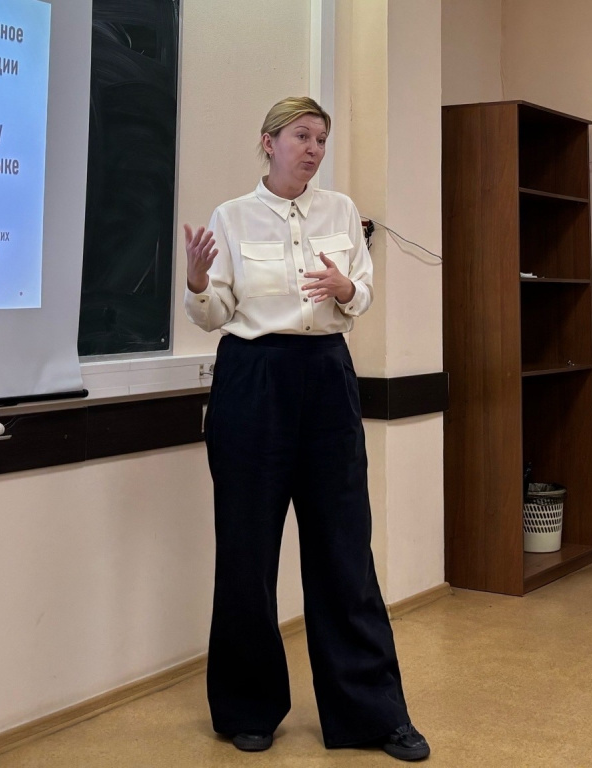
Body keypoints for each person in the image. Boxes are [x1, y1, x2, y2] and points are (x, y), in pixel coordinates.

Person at [183, 96, 429, 761]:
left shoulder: (341, 211)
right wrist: (200, 281)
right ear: (269, 142)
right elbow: (214, 312)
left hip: (325, 376)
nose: (314, 149)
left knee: (344, 551)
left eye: (322, 138)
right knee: (247, 551)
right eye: (302, 136)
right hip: (252, 378)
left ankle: (372, 715)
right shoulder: (232, 216)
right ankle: (248, 708)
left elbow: (362, 293)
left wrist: (346, 289)